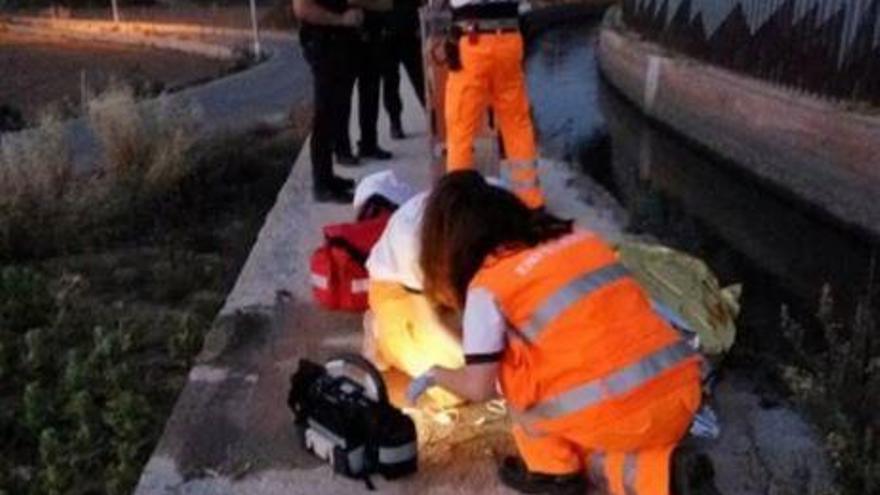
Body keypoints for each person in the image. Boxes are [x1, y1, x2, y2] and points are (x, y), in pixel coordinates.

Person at [407, 171, 702, 495]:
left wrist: (436, 374)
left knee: (516, 380)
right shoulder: (579, 238)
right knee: (580, 407)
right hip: (682, 391)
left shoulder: (489, 287)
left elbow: (480, 388)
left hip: (621, 415)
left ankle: (553, 473)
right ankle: (665, 476)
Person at [359, 171, 465, 406]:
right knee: (452, 390)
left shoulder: (496, 208)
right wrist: (479, 367)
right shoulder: (414, 242)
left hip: (439, 285)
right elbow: (429, 321)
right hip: (399, 292)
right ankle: (382, 334)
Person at [444, 0, 544, 209]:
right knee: (517, 123)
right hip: (509, 38)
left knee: (461, 127)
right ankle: (531, 200)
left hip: (472, 41)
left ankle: (460, 206)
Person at [293, 0, 389, 202]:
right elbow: (302, 8)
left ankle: (328, 177)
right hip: (324, 43)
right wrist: (341, 19)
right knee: (325, 112)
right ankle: (321, 184)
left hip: (341, 44)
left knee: (337, 109)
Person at [382, 0, 427, 139]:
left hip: (410, 28)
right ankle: (395, 121)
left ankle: (434, 119)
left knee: (421, 79)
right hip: (387, 30)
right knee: (390, 81)